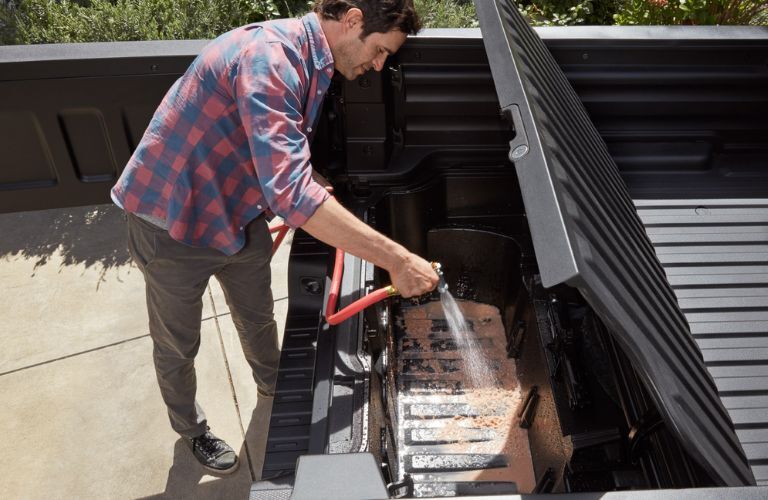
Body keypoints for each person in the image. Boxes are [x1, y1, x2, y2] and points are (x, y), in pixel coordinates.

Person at [111, 0, 438, 475]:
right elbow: (291, 195)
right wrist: (397, 259)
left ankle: (273, 385)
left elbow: (276, 147)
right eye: (381, 49)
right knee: (177, 343)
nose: (380, 65)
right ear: (351, 21)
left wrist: (309, 175)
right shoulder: (270, 57)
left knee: (258, 316)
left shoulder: (316, 58)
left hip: (238, 214)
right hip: (171, 223)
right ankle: (191, 428)